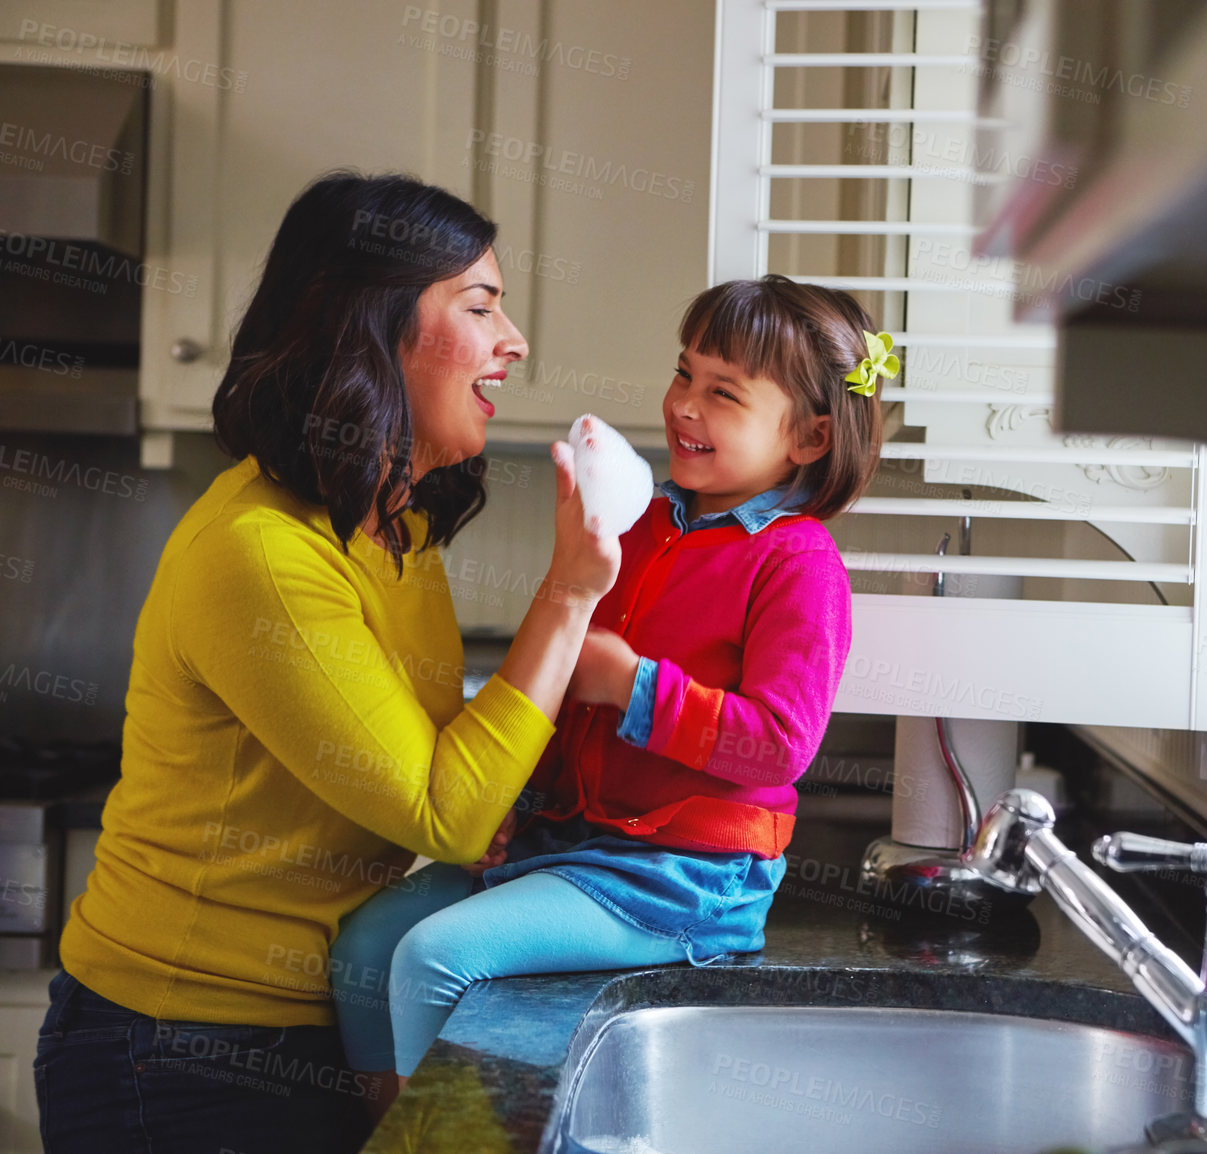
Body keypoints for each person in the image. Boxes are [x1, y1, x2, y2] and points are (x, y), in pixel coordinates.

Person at [33, 171, 621, 1154]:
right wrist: (569, 591)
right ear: (372, 331)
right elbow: (443, 807)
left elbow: (429, 755)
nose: (512, 340)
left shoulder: (394, 526)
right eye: (479, 306)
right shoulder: (262, 550)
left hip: (305, 1025)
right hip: (179, 1053)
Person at [328, 274, 885, 1092]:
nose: (685, 405)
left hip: (684, 876)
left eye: (723, 392)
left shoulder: (798, 563)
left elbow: (779, 746)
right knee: (364, 950)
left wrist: (635, 688)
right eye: (683, 373)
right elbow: (555, 697)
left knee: (433, 957)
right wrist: (508, 806)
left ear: (809, 438)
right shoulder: (637, 523)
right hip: (570, 843)